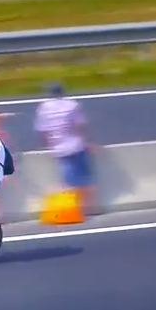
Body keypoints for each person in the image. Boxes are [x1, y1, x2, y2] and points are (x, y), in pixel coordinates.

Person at [34, 83, 95, 215]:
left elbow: (43, 131)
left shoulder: (43, 108)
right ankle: (87, 209)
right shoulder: (72, 105)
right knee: (86, 178)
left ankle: (71, 210)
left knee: (67, 181)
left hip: (59, 149)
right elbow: (79, 125)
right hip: (77, 145)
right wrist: (88, 142)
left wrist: (48, 145)